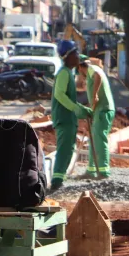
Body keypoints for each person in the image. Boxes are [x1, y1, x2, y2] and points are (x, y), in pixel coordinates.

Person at [50, 41, 93, 191]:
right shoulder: (63, 73)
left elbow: (69, 97)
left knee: (68, 149)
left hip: (68, 118)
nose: (78, 56)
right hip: (64, 118)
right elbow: (59, 94)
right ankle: (56, 181)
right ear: (67, 56)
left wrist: (81, 108)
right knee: (64, 149)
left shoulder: (68, 72)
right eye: (75, 53)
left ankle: (60, 178)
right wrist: (75, 108)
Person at [76, 55, 115, 179]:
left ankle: (103, 172)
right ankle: (91, 170)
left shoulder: (92, 69)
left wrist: (95, 95)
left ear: (80, 67)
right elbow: (82, 86)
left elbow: (98, 76)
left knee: (99, 139)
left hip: (104, 110)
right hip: (99, 110)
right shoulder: (89, 75)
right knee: (93, 140)